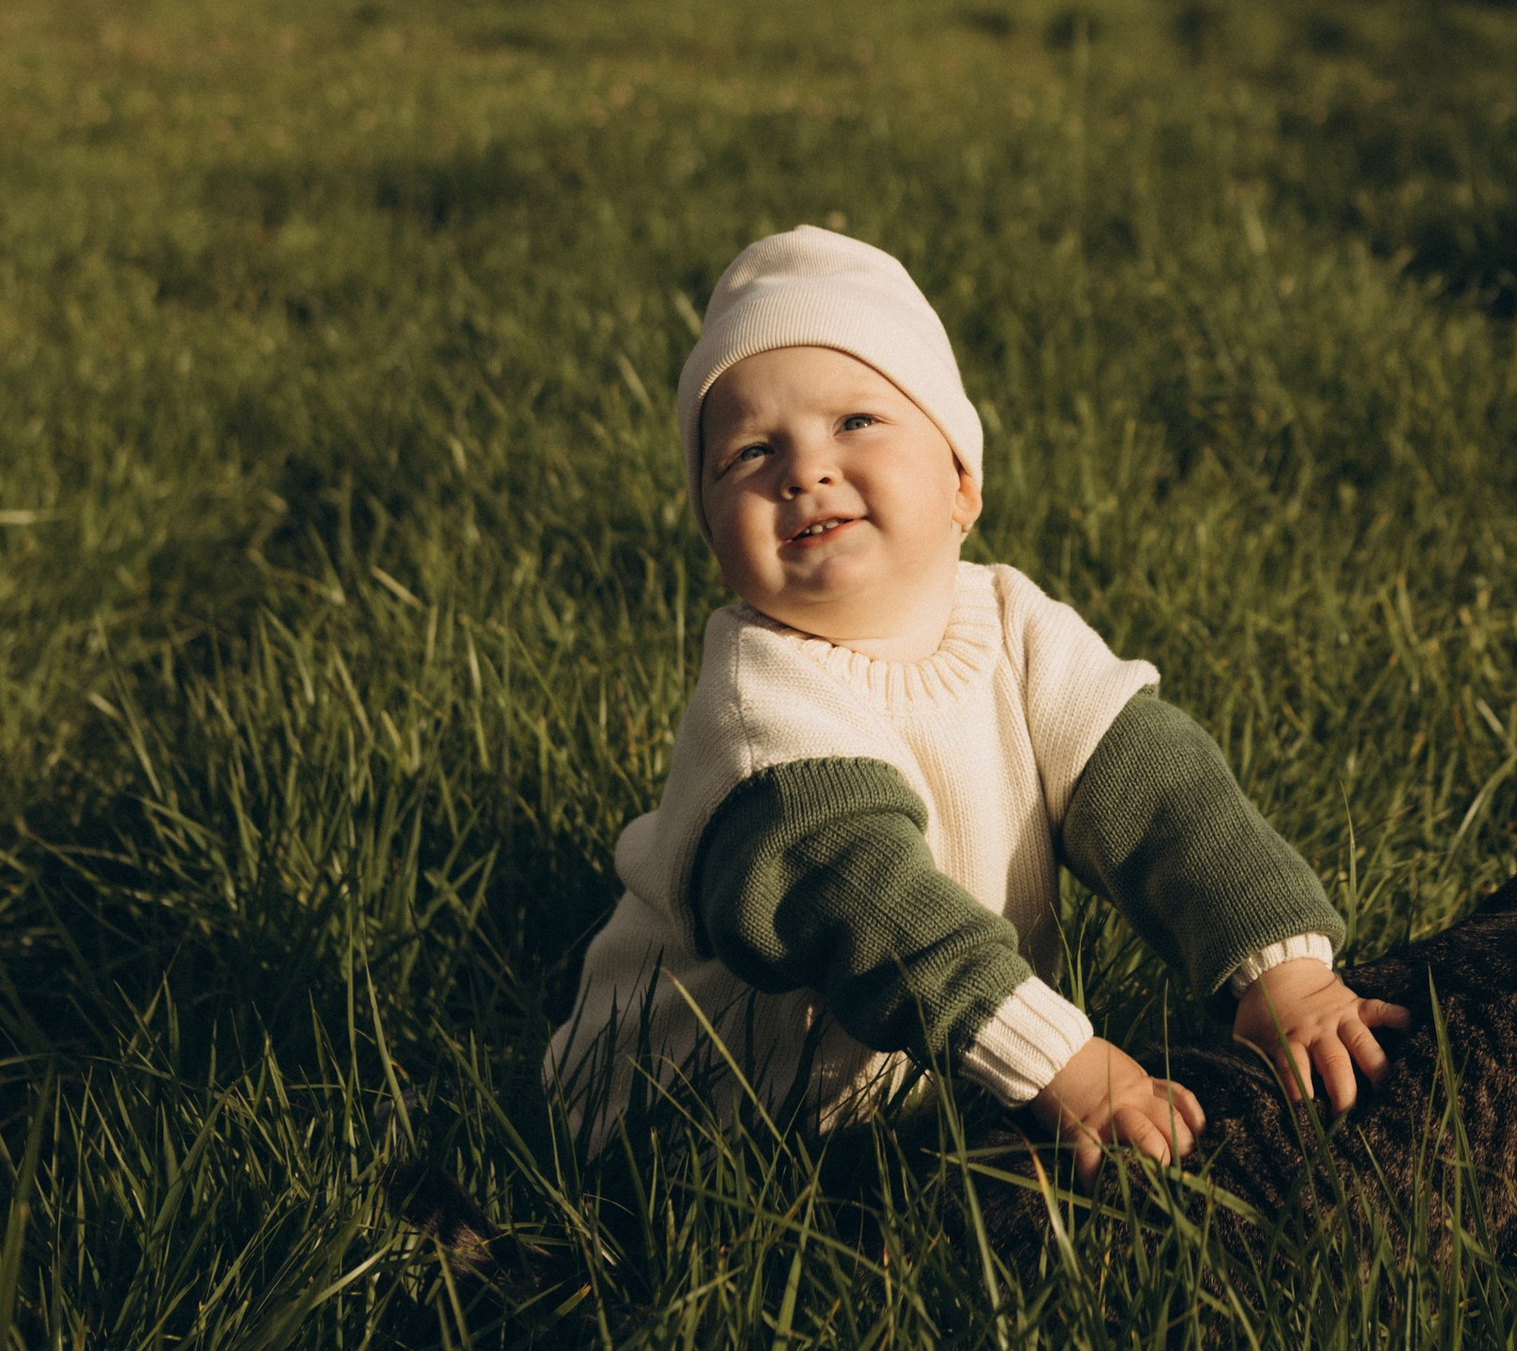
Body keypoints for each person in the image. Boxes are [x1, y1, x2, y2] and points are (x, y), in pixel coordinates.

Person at [547, 225, 1405, 1173]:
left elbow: (1161, 796)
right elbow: (871, 901)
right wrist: (1061, 1061)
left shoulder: (1013, 622)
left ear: (962, 482)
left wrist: (1278, 967)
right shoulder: (761, 708)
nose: (803, 470)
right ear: (715, 539)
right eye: (748, 454)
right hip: (702, 1121)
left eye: (857, 423)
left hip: (944, 1072)